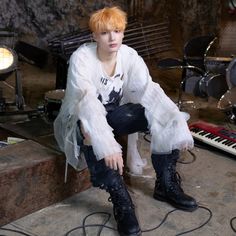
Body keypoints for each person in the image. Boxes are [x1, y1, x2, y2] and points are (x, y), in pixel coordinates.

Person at [54, 6, 198, 236]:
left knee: (166, 117)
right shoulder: (82, 58)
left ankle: (166, 185)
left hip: (115, 113)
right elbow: (87, 103)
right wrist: (107, 144)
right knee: (92, 134)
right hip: (83, 117)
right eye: (104, 32)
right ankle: (121, 200)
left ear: (123, 33)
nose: (112, 37)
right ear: (94, 35)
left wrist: (175, 122)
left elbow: (149, 91)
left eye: (117, 31)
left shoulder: (129, 55)